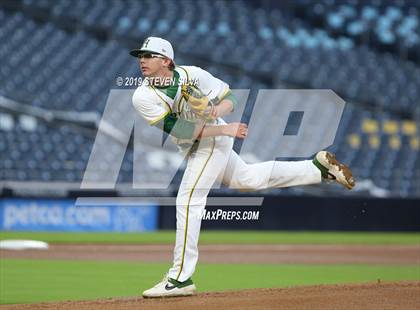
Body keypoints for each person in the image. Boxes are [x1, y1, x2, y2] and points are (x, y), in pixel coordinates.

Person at [130, 37, 355, 298]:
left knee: (188, 199)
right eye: (140, 56)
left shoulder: (193, 75)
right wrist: (224, 126)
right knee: (247, 179)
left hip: (212, 142)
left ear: (166, 61)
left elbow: (230, 97)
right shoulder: (142, 95)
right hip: (201, 139)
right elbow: (178, 129)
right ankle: (317, 169)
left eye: (149, 55)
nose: (142, 60)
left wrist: (217, 110)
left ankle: (180, 278)